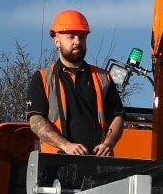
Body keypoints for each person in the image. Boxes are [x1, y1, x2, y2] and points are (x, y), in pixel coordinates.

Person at [27, 10, 125, 157]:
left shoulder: (103, 77)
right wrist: (66, 146)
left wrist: (108, 144)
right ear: (56, 40)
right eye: (71, 36)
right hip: (55, 163)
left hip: (98, 163)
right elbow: (35, 121)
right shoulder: (42, 78)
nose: (77, 41)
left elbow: (117, 116)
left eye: (82, 36)